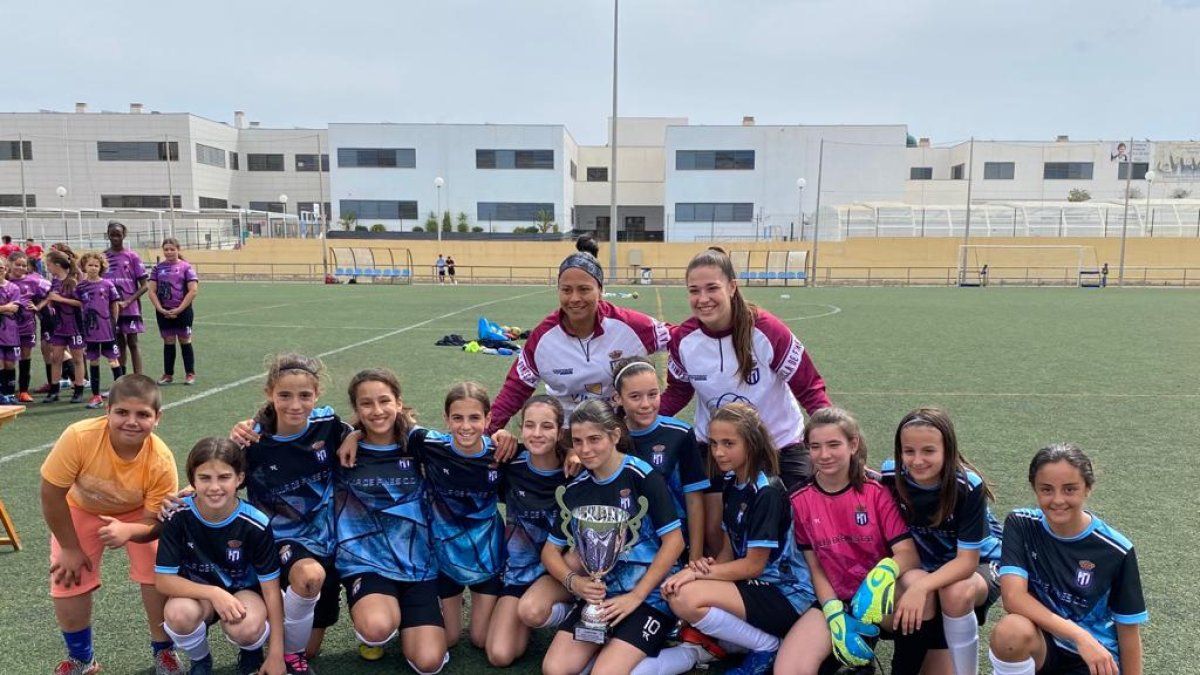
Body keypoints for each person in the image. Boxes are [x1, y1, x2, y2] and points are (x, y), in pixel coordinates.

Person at [660, 246, 831, 557]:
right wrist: (636, 422)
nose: (703, 298)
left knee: (802, 517)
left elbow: (809, 388)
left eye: (712, 288)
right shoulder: (683, 339)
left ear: (732, 286)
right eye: (694, 291)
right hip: (716, 445)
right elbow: (677, 392)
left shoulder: (767, 330)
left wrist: (831, 436)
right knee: (712, 528)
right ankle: (726, 578)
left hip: (778, 443)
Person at [651, 403, 819, 675]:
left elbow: (754, 565)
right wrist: (704, 569)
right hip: (757, 585)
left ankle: (768, 646)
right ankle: (736, 642)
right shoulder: (733, 483)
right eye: (715, 443)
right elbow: (731, 546)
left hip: (788, 594)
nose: (718, 452)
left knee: (685, 597)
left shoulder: (767, 492)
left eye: (729, 443)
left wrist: (698, 577)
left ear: (751, 443)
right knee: (680, 589)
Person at [39, 374, 183, 675]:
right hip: (82, 507)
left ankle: (164, 650)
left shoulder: (161, 459)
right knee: (67, 575)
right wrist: (68, 547)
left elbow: (156, 522)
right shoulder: (80, 436)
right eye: (122, 412)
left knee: (160, 571)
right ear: (107, 411)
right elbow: (52, 493)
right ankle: (81, 658)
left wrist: (129, 530)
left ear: (157, 418)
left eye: (142, 414)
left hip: (139, 514)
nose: (131, 421)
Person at [541, 400, 685, 675]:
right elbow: (549, 551)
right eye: (578, 441)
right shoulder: (577, 489)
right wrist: (575, 583)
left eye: (594, 439)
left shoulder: (642, 476)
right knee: (555, 669)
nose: (585, 449)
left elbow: (675, 541)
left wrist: (637, 596)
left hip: (648, 598)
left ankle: (687, 653)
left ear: (615, 436)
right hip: (601, 597)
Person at [229, 353, 350, 672]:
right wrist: (190, 493)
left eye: (304, 395)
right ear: (270, 393)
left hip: (324, 545)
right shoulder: (251, 440)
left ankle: (283, 631)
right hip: (274, 546)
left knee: (310, 648)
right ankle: (274, 648)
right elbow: (221, 478)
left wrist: (358, 435)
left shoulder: (329, 424)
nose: (295, 405)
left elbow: (372, 428)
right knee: (309, 578)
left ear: (317, 395)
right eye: (285, 395)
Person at [776, 407, 920, 674]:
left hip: (878, 598)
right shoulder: (798, 499)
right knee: (788, 670)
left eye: (833, 445)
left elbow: (908, 554)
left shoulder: (877, 491)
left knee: (916, 586)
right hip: (836, 599)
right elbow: (815, 565)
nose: (824, 455)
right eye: (815, 447)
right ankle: (853, 661)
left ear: (853, 444)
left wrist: (881, 576)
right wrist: (832, 612)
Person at [488, 234, 670, 444]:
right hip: (566, 436)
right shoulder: (542, 338)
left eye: (584, 289)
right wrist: (487, 432)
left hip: (617, 433)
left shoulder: (631, 325)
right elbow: (516, 388)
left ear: (600, 291)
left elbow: (680, 340)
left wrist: (663, 406)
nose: (574, 298)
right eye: (566, 290)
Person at [988, 444, 1147, 675]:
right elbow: (1013, 598)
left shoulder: (1116, 550)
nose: (1058, 500)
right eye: (1047, 489)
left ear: (1087, 488)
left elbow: (1129, 631)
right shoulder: (1021, 524)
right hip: (1046, 645)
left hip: (1095, 657)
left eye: (1070, 489)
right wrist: (1078, 635)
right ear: (1035, 489)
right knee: (1010, 632)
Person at [332, 369, 449, 674]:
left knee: (429, 663)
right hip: (366, 564)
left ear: (399, 403)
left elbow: (466, 447)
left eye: (385, 401)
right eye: (366, 404)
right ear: (357, 410)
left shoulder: (420, 446)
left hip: (418, 567)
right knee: (377, 628)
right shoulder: (341, 450)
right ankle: (375, 621)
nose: (377, 410)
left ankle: (412, 613)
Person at [881, 408, 1003, 675]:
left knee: (955, 592)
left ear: (947, 449)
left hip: (975, 566)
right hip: (925, 571)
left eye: (928, 451)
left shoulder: (967, 486)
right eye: (908, 451)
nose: (917, 460)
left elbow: (966, 563)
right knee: (912, 584)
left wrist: (921, 587)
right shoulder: (890, 477)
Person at [156, 438, 286, 675]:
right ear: (192, 480)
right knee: (178, 614)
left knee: (246, 627)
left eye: (224, 477)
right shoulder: (177, 516)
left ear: (240, 478)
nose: (214, 487)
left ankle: (251, 650)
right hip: (199, 594)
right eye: (205, 478)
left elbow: (271, 590)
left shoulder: (255, 523)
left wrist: (277, 654)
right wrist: (214, 594)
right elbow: (164, 580)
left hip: (244, 594)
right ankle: (201, 661)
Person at [487, 395, 572, 667]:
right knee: (500, 655)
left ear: (560, 432)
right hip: (519, 574)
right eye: (530, 425)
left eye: (547, 426)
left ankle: (567, 611)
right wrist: (496, 435)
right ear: (520, 429)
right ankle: (533, 613)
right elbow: (466, 446)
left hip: (559, 574)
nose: (537, 434)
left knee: (533, 611)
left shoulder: (575, 470)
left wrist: (574, 450)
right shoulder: (510, 462)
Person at [611, 356, 709, 560]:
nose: (646, 404)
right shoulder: (609, 436)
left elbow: (694, 500)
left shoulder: (679, 434)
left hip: (673, 542)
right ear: (617, 398)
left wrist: (695, 557)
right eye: (635, 396)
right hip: (624, 545)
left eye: (653, 394)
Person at [75, 252, 124, 409]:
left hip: (107, 329)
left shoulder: (108, 284)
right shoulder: (80, 286)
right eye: (90, 265)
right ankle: (96, 396)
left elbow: (114, 305)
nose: (93, 268)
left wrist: (114, 322)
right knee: (93, 360)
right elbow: (77, 304)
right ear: (84, 267)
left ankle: (120, 394)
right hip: (90, 331)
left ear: (101, 267)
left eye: (96, 265)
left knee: (113, 360)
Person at [147, 238, 199, 385]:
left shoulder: (186, 267)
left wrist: (179, 309)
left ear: (178, 249)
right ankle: (168, 374)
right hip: (163, 312)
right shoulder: (158, 268)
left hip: (183, 311)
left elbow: (193, 291)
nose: (169, 252)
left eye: (172, 249)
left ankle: (190, 373)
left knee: (185, 340)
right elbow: (151, 291)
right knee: (168, 341)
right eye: (166, 249)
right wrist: (160, 309)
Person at [103, 221, 149, 375]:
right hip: (111, 310)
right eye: (112, 234)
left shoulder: (132, 256)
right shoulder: (104, 257)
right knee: (119, 344)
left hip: (130, 308)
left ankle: (138, 378)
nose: (115, 237)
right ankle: (121, 379)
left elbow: (145, 285)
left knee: (133, 343)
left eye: (118, 234)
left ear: (124, 235)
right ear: (107, 235)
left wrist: (128, 301)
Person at [7, 250, 51, 402]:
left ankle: (24, 391)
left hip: (27, 326)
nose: (20, 268)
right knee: (8, 359)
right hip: (7, 328)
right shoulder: (4, 280)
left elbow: (51, 293)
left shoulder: (33, 281)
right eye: (17, 264)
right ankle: (8, 391)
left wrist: (39, 306)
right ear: (9, 264)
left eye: (24, 265)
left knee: (25, 357)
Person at [45, 249, 87, 404]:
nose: (47, 268)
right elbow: (51, 297)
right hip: (59, 327)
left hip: (73, 326)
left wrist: (60, 299)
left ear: (57, 265)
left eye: (48, 264)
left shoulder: (72, 282)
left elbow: (80, 303)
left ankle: (79, 389)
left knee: (77, 359)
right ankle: (54, 390)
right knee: (55, 358)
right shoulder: (54, 282)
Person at [0, 255, 22, 404]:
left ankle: (10, 394)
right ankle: (1, 394)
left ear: (6, 269)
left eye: (1, 267)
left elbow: (13, 309)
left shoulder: (13, 288)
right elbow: (8, 308)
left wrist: (5, 309)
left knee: (10, 363)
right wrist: (4, 308)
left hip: (10, 331)